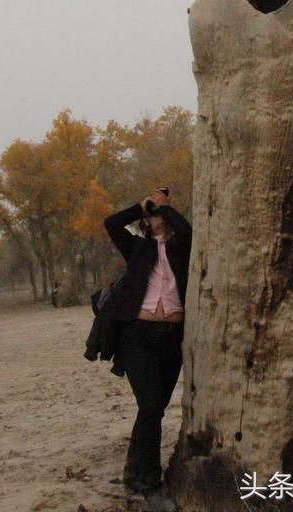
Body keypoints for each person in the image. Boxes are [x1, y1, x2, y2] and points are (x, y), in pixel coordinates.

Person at [104, 187, 192, 512]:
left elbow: (188, 230)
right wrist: (140, 206)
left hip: (172, 338)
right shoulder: (137, 249)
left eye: (161, 215)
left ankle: (132, 470)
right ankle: (151, 485)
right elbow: (111, 223)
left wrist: (166, 209)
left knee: (152, 408)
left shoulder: (182, 247)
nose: (157, 219)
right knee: (152, 405)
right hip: (138, 337)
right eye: (152, 216)